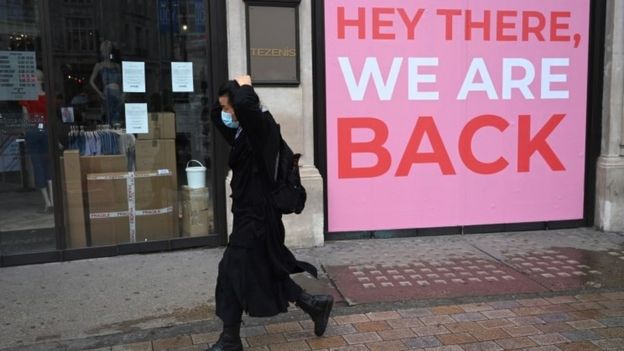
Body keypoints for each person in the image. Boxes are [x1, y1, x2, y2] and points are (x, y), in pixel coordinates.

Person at [206, 75, 333, 351]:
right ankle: (314, 304)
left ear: (243, 106)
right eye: (226, 108)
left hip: (258, 219)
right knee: (263, 270)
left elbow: (247, 106)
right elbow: (216, 116)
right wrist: (226, 99)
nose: (227, 114)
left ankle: (230, 339)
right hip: (247, 215)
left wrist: (245, 87)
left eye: (231, 109)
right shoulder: (242, 131)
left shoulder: (261, 128)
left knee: (230, 269)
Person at [20, 69, 53, 213]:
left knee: (38, 164)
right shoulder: (48, 97)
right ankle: (53, 200)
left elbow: (26, 115)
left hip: (34, 130)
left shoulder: (27, 97)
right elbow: (51, 118)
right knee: (48, 164)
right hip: (45, 130)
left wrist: (25, 130)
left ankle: (47, 202)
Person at [89, 40, 123, 126]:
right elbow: (91, 81)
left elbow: (122, 81)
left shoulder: (117, 66)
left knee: (118, 118)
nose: (106, 53)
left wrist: (123, 94)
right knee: (110, 118)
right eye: (104, 51)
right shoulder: (99, 65)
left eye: (108, 50)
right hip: (108, 94)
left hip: (118, 94)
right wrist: (99, 93)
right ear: (102, 52)